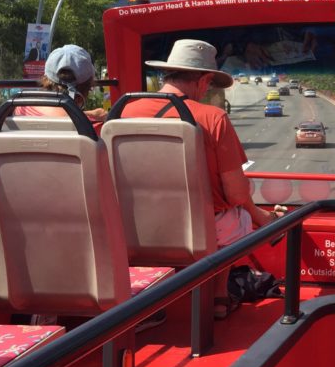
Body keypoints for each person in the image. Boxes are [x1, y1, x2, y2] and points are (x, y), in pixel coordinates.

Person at [119, 39, 280, 318]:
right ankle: (218, 297)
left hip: (132, 226)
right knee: (239, 216)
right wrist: (256, 213)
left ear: (167, 75)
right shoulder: (213, 118)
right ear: (203, 80)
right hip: (196, 229)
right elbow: (236, 193)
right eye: (209, 84)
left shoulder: (124, 111)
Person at [15, 44, 107, 126]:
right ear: (88, 87)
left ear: (46, 78)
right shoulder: (90, 126)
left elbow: (55, 116)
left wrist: (86, 114)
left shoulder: (18, 110)